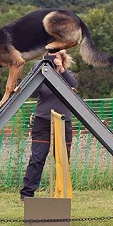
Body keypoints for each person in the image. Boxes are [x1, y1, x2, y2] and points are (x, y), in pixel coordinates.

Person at [20, 50, 78, 202]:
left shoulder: (69, 75)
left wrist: (61, 69)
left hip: (63, 121)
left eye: (56, 55)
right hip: (42, 120)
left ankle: (62, 193)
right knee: (37, 158)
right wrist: (37, 73)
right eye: (50, 55)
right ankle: (27, 193)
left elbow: (74, 85)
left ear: (63, 58)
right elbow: (31, 92)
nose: (53, 58)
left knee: (63, 159)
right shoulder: (42, 74)